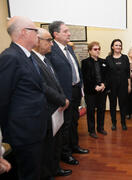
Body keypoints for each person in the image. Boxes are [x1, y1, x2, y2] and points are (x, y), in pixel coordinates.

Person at [0, 16, 47, 180]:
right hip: (24, 133)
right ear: (24, 33)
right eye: (35, 30)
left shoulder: (27, 56)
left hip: (35, 129)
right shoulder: (10, 57)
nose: (38, 35)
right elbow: (2, 100)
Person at [47, 21, 89, 167]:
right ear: (55, 34)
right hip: (64, 94)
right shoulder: (50, 50)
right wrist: (60, 96)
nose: (69, 33)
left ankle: (74, 146)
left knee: (74, 121)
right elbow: (50, 77)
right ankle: (65, 154)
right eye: (65, 31)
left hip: (76, 91)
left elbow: (76, 69)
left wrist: (81, 88)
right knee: (65, 125)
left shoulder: (69, 49)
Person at [32, 28, 71, 178]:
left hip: (57, 108)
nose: (51, 44)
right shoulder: (33, 60)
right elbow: (44, 86)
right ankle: (50, 173)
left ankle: (55, 169)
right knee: (48, 146)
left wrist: (63, 97)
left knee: (55, 143)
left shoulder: (45, 58)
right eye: (48, 40)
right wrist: (62, 99)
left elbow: (56, 82)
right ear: (37, 41)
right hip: (47, 109)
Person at [81, 41, 108, 139]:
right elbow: (86, 77)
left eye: (99, 49)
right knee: (91, 111)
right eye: (95, 49)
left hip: (102, 90)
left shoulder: (103, 61)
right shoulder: (85, 62)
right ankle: (91, 130)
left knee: (101, 110)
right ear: (90, 51)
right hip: (91, 91)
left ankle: (100, 128)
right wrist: (94, 86)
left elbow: (106, 76)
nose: (98, 51)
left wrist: (104, 84)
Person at [106, 39, 131, 131]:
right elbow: (106, 74)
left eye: (120, 45)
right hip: (112, 86)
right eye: (116, 45)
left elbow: (128, 73)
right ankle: (114, 123)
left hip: (123, 85)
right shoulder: (108, 59)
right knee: (112, 105)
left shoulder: (125, 58)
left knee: (123, 105)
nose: (118, 47)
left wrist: (129, 85)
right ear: (112, 47)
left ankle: (123, 123)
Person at [126, 47, 132, 119]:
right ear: (129, 53)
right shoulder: (126, 62)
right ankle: (128, 113)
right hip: (127, 81)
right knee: (127, 98)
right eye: (131, 52)